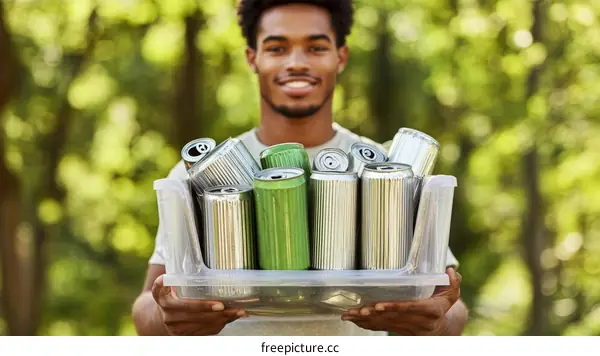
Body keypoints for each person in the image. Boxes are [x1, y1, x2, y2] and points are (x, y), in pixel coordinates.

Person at [131, 0, 469, 336]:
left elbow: (451, 306)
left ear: (341, 57)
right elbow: (148, 302)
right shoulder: (195, 175)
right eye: (277, 48)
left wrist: (438, 321)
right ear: (253, 58)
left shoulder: (389, 168)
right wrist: (165, 317)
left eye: (316, 47)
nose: (296, 62)